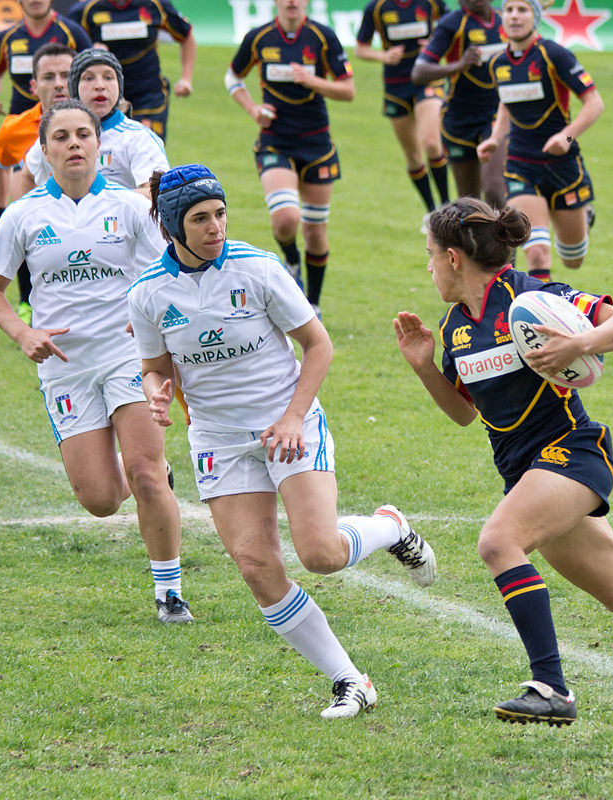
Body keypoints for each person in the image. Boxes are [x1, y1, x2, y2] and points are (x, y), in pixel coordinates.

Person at [394, 197, 613, 726]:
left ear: (451, 257)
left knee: (497, 541)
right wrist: (425, 368)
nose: (426, 267)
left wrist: (576, 344)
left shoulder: (530, 296)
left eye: (428, 255)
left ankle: (551, 687)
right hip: (525, 474)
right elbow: (464, 415)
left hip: (574, 452)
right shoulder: (453, 327)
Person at [128, 164, 437, 719]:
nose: (215, 226)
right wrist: (156, 391)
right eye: (200, 219)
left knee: (320, 553)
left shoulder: (258, 268)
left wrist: (294, 417)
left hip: (287, 424)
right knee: (257, 567)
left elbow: (318, 346)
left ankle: (390, 526)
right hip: (219, 442)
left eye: (220, 213)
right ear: (173, 227)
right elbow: (154, 366)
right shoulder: (148, 292)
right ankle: (349, 680)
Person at [0, 99, 189, 624]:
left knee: (143, 475)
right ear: (44, 151)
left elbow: (169, 271)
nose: (74, 144)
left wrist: (152, 322)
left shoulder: (131, 207)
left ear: (99, 144)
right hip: (66, 366)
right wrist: (24, 332)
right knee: (99, 499)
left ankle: (169, 593)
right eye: (62, 138)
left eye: (83, 135)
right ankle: (156, 470)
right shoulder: (23, 215)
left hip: (128, 357)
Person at [224, 0, 355, 316]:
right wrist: (253, 110)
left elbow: (347, 90)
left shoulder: (322, 37)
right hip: (275, 142)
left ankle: (313, 303)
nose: (292, 2)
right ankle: (292, 261)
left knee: (315, 230)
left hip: (317, 145)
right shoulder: (259, 38)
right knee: (285, 220)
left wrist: (314, 82)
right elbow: (232, 78)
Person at [476, 0, 602, 282]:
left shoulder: (554, 54)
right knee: (536, 253)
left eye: (522, 10)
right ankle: (539, 318)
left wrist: (566, 136)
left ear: (535, 17)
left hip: (563, 167)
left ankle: (584, 217)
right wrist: (496, 139)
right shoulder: (498, 62)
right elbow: (507, 103)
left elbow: (594, 103)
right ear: (501, 17)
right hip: (521, 165)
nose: (514, 16)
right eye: (509, 10)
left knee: (573, 259)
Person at [0, 43, 76, 326]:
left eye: (66, 75)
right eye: (49, 77)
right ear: (34, 86)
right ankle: (27, 301)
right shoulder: (15, 128)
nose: (59, 84)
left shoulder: (96, 125)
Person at [355, 0, 451, 227]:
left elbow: (452, 29)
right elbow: (361, 49)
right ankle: (432, 212)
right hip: (395, 87)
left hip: (427, 78)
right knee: (413, 156)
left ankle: (448, 208)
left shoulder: (431, 3)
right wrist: (383, 56)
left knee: (432, 143)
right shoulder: (376, 8)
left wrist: (437, 43)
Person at [21, 49, 170, 193]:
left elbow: (156, 194)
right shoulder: (55, 135)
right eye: (88, 78)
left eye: (108, 77)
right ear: (74, 88)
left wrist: (101, 202)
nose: (100, 85)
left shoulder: (138, 137)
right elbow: (28, 175)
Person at [411, 0, 506, 207]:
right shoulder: (452, 24)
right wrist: (459, 65)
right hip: (459, 120)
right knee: (469, 205)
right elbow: (419, 72)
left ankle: (509, 237)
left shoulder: (505, 20)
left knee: (494, 191)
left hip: (496, 115)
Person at [67, 0, 196, 141]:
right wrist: (91, 51)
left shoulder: (155, 5)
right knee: (106, 152)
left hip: (148, 95)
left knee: (146, 149)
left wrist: (186, 79)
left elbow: (186, 35)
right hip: (103, 96)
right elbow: (68, 53)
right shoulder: (85, 10)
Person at [0, 0, 92, 120]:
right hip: (20, 119)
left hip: (66, 120)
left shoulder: (72, 33)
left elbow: (92, 71)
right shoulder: (8, 37)